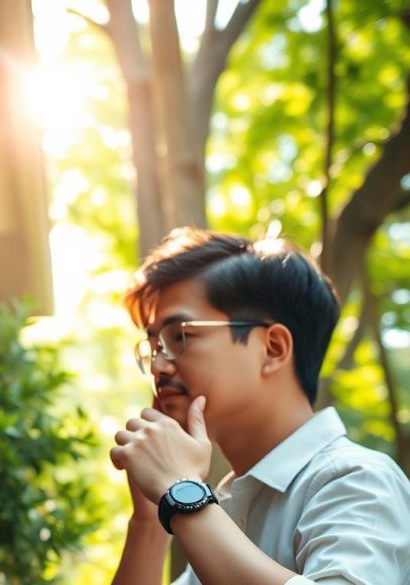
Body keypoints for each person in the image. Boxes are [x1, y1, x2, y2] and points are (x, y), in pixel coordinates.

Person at [109, 227, 410, 585]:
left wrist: (181, 493)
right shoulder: (226, 507)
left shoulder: (357, 481)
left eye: (180, 336)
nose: (159, 366)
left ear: (273, 349)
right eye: (155, 346)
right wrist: (149, 520)